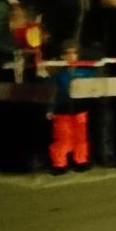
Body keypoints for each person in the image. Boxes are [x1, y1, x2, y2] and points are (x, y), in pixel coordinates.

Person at [47, 40, 95, 175]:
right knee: (62, 137)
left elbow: (93, 88)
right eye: (67, 53)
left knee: (80, 137)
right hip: (62, 111)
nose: (71, 56)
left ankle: (81, 160)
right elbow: (51, 93)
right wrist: (49, 109)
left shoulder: (85, 72)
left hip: (80, 110)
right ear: (62, 56)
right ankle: (59, 164)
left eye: (74, 53)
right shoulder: (57, 74)